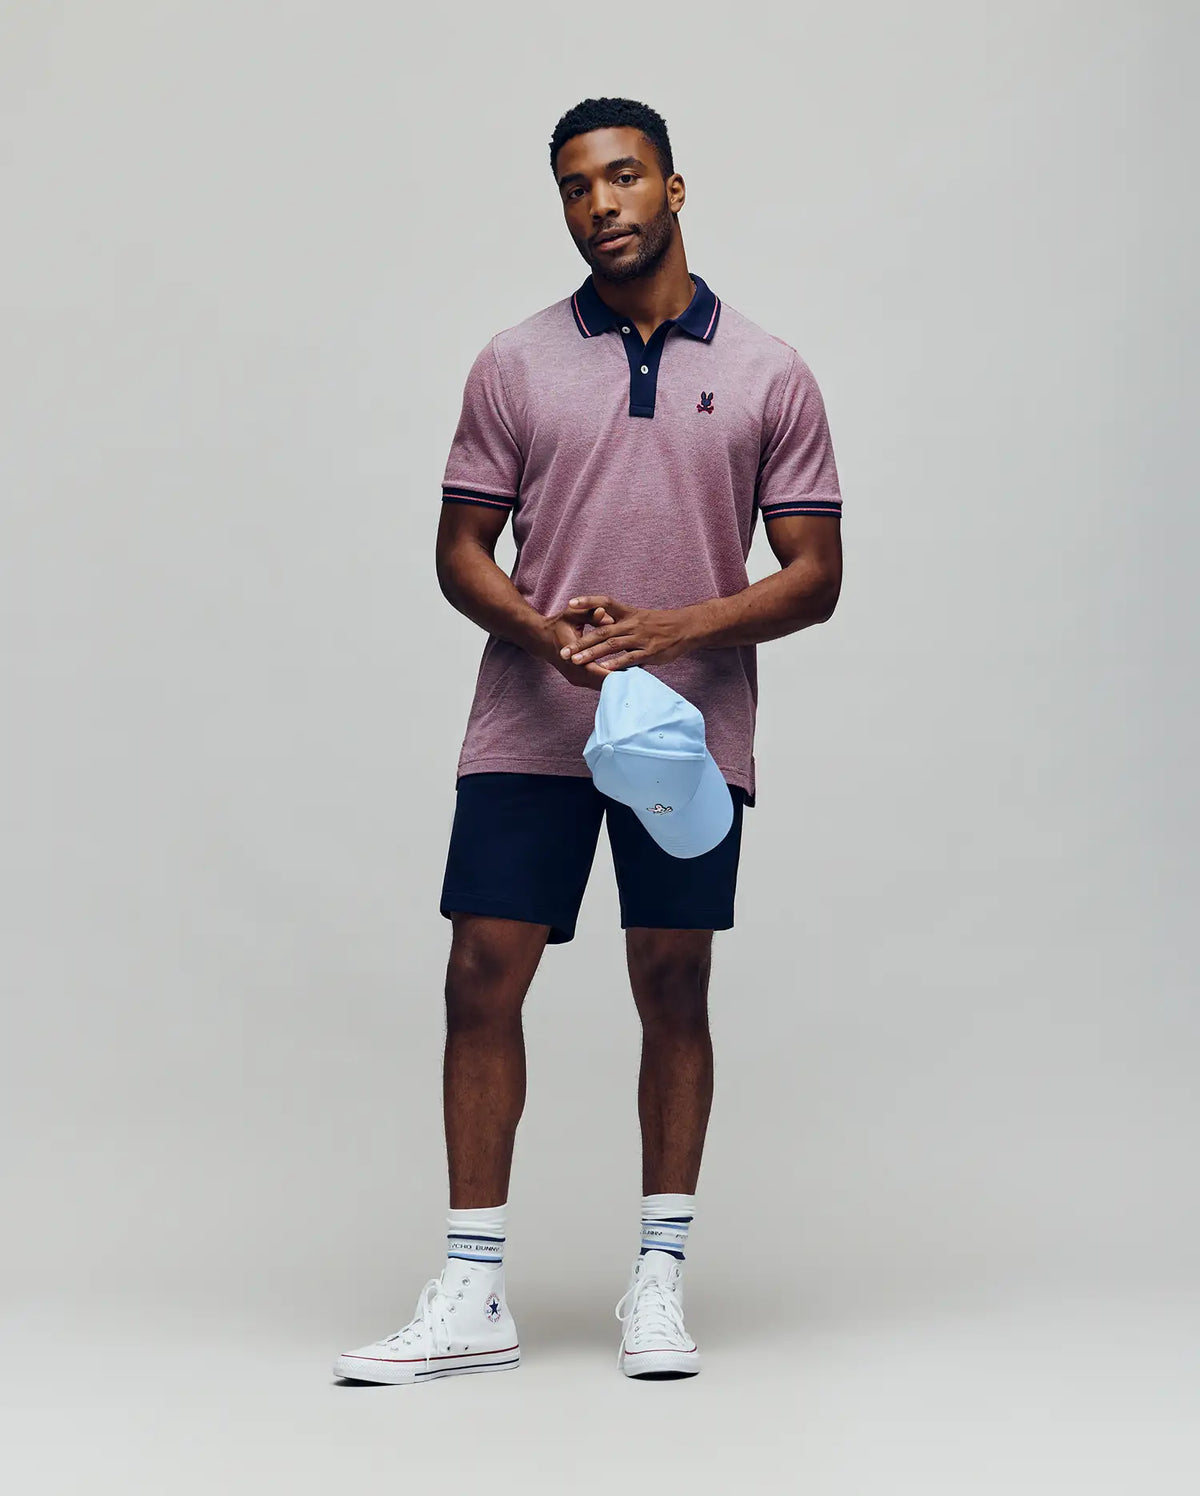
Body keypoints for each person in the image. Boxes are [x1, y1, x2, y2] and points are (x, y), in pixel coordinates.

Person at [333, 95, 843, 1386]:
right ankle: (473, 1289)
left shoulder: (772, 371)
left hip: (686, 732)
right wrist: (544, 628)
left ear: (675, 190)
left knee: (673, 985)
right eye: (574, 187)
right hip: (531, 720)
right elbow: (459, 550)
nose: (598, 205)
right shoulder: (514, 363)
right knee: (478, 978)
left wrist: (668, 627)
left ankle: (658, 1283)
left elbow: (816, 575)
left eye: (622, 179)